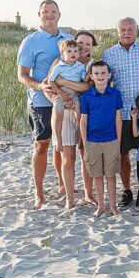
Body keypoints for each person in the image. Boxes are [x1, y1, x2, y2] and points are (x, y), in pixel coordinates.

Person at [16, 0, 73, 209]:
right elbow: (22, 75)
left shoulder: (68, 38)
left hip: (64, 101)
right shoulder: (31, 41)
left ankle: (61, 184)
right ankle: (39, 193)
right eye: (45, 12)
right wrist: (39, 86)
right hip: (40, 101)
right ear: (39, 15)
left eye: (53, 12)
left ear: (59, 14)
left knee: (62, 145)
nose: (49, 15)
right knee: (42, 146)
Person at [102, 17, 139, 209]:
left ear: (137, 30)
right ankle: (127, 191)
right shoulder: (108, 54)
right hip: (122, 113)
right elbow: (104, 83)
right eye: (123, 29)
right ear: (117, 31)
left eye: (130, 29)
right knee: (122, 154)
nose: (127, 32)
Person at [44, 30, 98, 205]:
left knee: (86, 156)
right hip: (64, 112)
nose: (83, 47)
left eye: (87, 44)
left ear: (91, 47)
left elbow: (87, 87)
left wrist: (65, 82)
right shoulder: (58, 62)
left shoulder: (92, 65)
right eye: (80, 43)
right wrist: (58, 98)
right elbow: (48, 85)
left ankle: (89, 194)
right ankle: (70, 198)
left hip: (86, 114)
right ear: (73, 44)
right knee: (68, 157)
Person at [47, 40, 88, 211]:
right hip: (60, 95)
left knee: (79, 110)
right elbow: (51, 82)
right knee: (58, 112)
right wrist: (61, 93)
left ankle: (81, 133)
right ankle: (58, 138)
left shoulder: (80, 67)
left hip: (75, 96)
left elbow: (85, 81)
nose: (72, 53)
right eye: (69, 51)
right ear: (63, 53)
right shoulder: (59, 65)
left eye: (75, 51)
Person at [79, 60, 123, 218]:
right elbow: (83, 121)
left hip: (111, 139)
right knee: (97, 175)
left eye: (103, 73)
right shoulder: (86, 97)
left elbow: (118, 118)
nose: (100, 76)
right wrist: (85, 142)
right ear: (91, 76)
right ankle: (101, 206)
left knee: (111, 175)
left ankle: (113, 206)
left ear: (109, 75)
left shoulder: (115, 94)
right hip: (92, 141)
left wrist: (118, 140)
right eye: (96, 73)